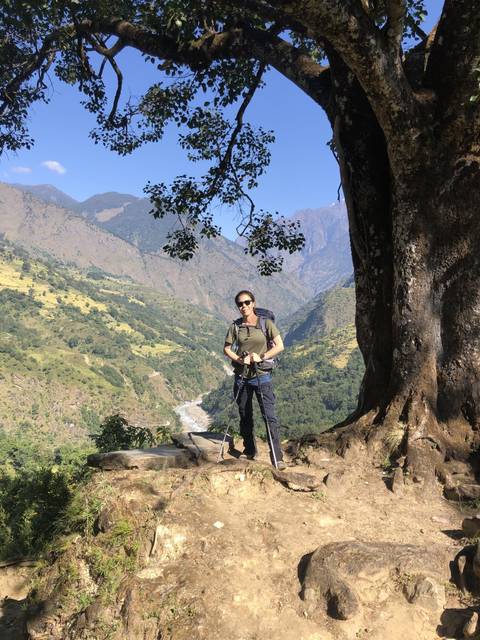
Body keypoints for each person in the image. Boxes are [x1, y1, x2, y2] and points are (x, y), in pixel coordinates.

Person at [224, 290, 286, 470]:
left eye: (247, 302)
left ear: (253, 303)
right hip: (242, 376)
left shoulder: (266, 324)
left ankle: (277, 456)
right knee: (245, 415)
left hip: (262, 376)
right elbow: (227, 348)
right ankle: (250, 450)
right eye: (240, 304)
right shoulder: (235, 327)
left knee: (269, 416)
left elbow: (280, 345)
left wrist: (262, 356)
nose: (244, 306)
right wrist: (238, 359)